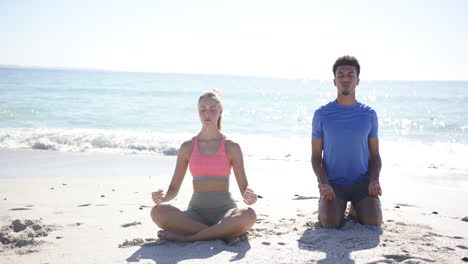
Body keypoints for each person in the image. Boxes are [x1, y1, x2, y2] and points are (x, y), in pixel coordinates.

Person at [150, 89, 257, 242]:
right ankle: (220, 232)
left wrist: (251, 198)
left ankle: (187, 238)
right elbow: (173, 189)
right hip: (195, 214)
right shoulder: (188, 147)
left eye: (212, 109)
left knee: (249, 215)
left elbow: (245, 191)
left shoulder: (231, 147)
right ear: (198, 111)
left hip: (226, 212)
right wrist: (162, 197)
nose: (207, 114)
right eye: (203, 109)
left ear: (220, 111)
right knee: (157, 212)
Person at [311, 55, 382, 228]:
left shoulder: (369, 114)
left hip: (362, 183)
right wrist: (324, 183)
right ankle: (330, 204)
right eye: (340, 75)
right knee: (330, 223)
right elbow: (315, 157)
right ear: (334, 81)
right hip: (333, 184)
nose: (345, 79)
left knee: (373, 222)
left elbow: (375, 155)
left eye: (350, 75)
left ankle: (356, 208)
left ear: (357, 80)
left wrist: (374, 179)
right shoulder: (322, 114)